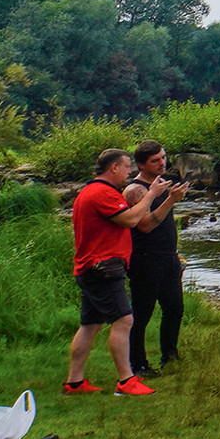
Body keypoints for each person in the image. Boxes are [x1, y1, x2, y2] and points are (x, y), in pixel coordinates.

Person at [65, 148, 171, 396]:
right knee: (124, 320)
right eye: (126, 167)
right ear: (113, 168)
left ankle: (75, 382)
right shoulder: (102, 193)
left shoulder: (90, 191)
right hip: (103, 267)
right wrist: (152, 194)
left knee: (90, 324)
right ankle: (126, 380)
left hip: (90, 266)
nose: (129, 172)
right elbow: (132, 219)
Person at [123, 141, 187, 376]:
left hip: (167, 257)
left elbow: (165, 225)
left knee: (175, 308)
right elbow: (146, 225)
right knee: (142, 313)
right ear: (141, 164)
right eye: (155, 160)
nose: (162, 163)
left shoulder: (160, 184)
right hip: (145, 260)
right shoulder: (135, 190)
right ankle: (138, 365)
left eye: (163, 157)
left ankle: (169, 356)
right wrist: (171, 199)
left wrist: (175, 254)